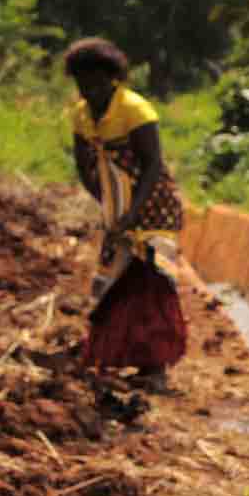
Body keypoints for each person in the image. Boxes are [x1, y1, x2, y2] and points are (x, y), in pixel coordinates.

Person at [63, 37, 187, 383]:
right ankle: (124, 355)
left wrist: (133, 211)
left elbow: (152, 165)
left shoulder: (135, 110)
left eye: (95, 82)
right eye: (82, 84)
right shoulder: (81, 115)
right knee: (120, 281)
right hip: (117, 207)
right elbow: (83, 165)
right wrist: (107, 203)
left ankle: (156, 366)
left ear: (111, 79)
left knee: (152, 279)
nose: (89, 90)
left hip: (153, 205)